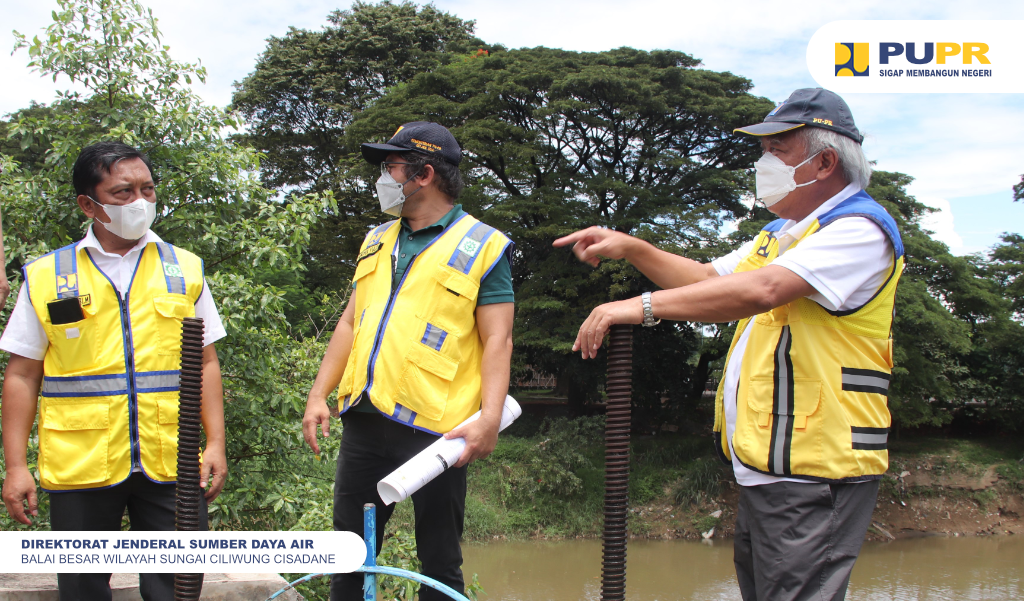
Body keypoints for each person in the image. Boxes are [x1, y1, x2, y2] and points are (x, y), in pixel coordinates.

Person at [554, 88, 902, 601]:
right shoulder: (781, 234)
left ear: (824, 161)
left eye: (777, 151)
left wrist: (641, 307)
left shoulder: (858, 229)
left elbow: (762, 290)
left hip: (817, 469)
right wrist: (632, 248)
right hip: (769, 465)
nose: (764, 165)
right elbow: (703, 278)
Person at [0, 141, 228, 601]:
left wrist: (217, 442)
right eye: (124, 193)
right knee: (82, 590)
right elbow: (22, 374)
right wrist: (16, 466)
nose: (140, 202)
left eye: (147, 189)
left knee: (177, 588)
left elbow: (205, 360)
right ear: (89, 204)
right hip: (81, 463)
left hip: (172, 460)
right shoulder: (47, 275)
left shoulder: (184, 268)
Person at [302, 121, 515, 601]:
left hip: (439, 431)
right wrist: (318, 395)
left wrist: (490, 419)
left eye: (391, 166)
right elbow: (350, 324)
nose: (383, 176)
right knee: (349, 554)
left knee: (439, 559)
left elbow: (498, 339)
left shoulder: (483, 246)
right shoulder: (377, 239)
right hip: (365, 415)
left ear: (423, 174)